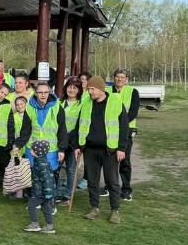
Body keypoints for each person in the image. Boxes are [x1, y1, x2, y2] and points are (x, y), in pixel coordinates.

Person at [75, 75, 128, 224]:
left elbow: (124, 127)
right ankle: (94, 208)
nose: (89, 92)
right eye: (89, 89)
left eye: (92, 89)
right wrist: (79, 146)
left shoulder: (116, 102)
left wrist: (121, 148)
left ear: (100, 89)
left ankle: (115, 210)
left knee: (112, 181)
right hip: (90, 149)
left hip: (109, 150)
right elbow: (81, 124)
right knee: (92, 180)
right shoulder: (86, 103)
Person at [24, 82, 68, 190]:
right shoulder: (29, 107)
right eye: (40, 92)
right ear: (35, 93)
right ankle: (36, 200)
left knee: (50, 178)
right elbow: (25, 130)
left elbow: (62, 129)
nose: (43, 95)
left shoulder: (57, 107)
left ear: (49, 93)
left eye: (45, 92)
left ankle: (50, 201)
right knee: (35, 177)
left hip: (51, 149)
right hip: (32, 149)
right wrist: (18, 145)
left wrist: (62, 149)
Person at [106, 68, 140, 201]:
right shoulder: (107, 91)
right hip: (109, 131)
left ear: (127, 79)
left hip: (126, 130)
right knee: (109, 160)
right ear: (113, 78)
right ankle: (110, 186)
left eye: (122, 77)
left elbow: (133, 112)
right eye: (117, 77)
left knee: (124, 160)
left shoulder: (132, 92)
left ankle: (126, 189)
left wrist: (121, 124)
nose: (119, 79)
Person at [58, 76, 84, 203]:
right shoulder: (59, 102)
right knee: (55, 168)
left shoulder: (82, 105)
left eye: (75, 88)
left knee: (71, 170)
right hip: (58, 142)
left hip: (73, 143)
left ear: (79, 90)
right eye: (69, 87)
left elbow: (81, 125)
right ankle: (56, 192)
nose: (72, 90)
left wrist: (76, 144)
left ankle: (68, 195)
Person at [22, 140, 57, 234]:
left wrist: (48, 193)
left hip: (41, 192)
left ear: (38, 152)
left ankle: (34, 224)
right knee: (46, 207)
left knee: (31, 205)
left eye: (32, 149)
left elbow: (47, 180)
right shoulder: (39, 161)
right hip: (43, 192)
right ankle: (50, 226)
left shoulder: (42, 164)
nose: (30, 150)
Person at [9, 96, 32, 199]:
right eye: (17, 105)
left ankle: (28, 192)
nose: (19, 106)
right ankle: (18, 192)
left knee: (28, 170)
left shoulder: (31, 115)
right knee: (17, 170)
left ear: (26, 104)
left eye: (22, 104)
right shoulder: (13, 116)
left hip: (28, 146)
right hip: (17, 146)